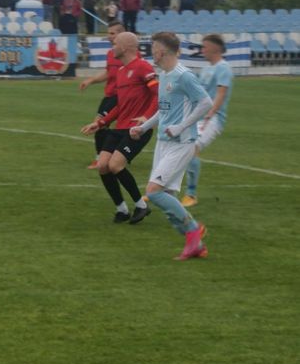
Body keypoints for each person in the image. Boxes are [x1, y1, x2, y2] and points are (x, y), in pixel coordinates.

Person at [130, 32, 211, 260]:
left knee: (153, 192)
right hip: (163, 143)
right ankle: (196, 244)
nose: (150, 52)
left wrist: (181, 126)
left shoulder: (184, 76)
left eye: (153, 48)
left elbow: (206, 102)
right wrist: (144, 127)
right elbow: (163, 111)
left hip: (181, 142)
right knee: (168, 205)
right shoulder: (164, 74)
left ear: (161, 51)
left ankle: (194, 229)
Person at [80, 32, 155, 224]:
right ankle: (121, 209)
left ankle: (141, 206)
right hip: (120, 127)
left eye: (115, 44)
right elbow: (120, 106)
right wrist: (100, 123)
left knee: (115, 165)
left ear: (125, 47)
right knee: (103, 166)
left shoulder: (143, 67)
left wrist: (146, 118)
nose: (112, 47)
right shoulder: (121, 72)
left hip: (137, 129)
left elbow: (159, 94)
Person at [181, 34, 233, 208]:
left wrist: (211, 114)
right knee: (180, 147)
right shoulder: (206, 69)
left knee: (192, 148)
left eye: (205, 47)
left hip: (213, 119)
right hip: (198, 116)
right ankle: (163, 189)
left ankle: (191, 194)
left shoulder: (223, 68)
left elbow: (221, 93)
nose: (202, 50)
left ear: (215, 48)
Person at [79, 21, 125, 168]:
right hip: (109, 95)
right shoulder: (111, 54)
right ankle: (113, 155)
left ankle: (101, 159)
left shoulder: (130, 54)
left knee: (99, 123)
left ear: (121, 35)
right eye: (109, 33)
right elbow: (108, 73)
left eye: (112, 33)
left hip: (121, 96)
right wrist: (91, 80)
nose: (109, 36)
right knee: (105, 126)